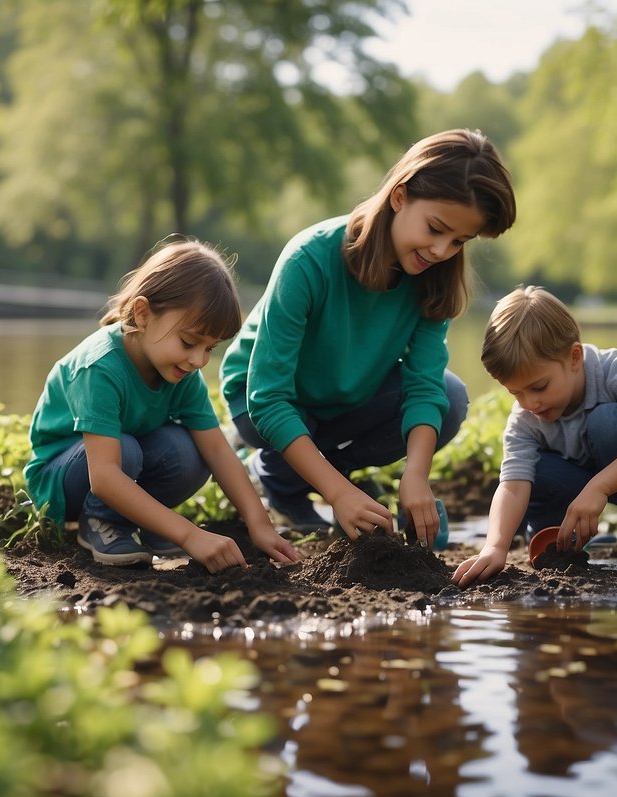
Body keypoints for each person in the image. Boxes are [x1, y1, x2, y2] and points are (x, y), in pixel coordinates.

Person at [220, 128, 517, 548]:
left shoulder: (435, 281)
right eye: (435, 228)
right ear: (400, 196)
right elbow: (267, 398)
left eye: (458, 241)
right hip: (265, 402)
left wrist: (416, 478)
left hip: (348, 398)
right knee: (286, 421)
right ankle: (290, 474)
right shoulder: (308, 260)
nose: (440, 251)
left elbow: (423, 385)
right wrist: (338, 495)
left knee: (449, 398)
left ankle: (300, 472)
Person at [24, 239, 300, 573]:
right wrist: (189, 534)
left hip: (120, 463)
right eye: (188, 342)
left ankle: (144, 520)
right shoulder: (99, 367)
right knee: (125, 451)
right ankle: (101, 522)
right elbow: (105, 476)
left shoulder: (181, 373)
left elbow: (216, 449)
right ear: (143, 314)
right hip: (64, 480)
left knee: (191, 453)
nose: (198, 360)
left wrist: (259, 523)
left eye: (210, 348)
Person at [453, 286, 617, 588]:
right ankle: (560, 539)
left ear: (574, 357)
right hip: (582, 480)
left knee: (607, 422)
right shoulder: (525, 418)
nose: (530, 403)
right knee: (533, 469)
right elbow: (512, 486)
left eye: (539, 387)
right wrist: (495, 546)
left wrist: (600, 486)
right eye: (515, 393)